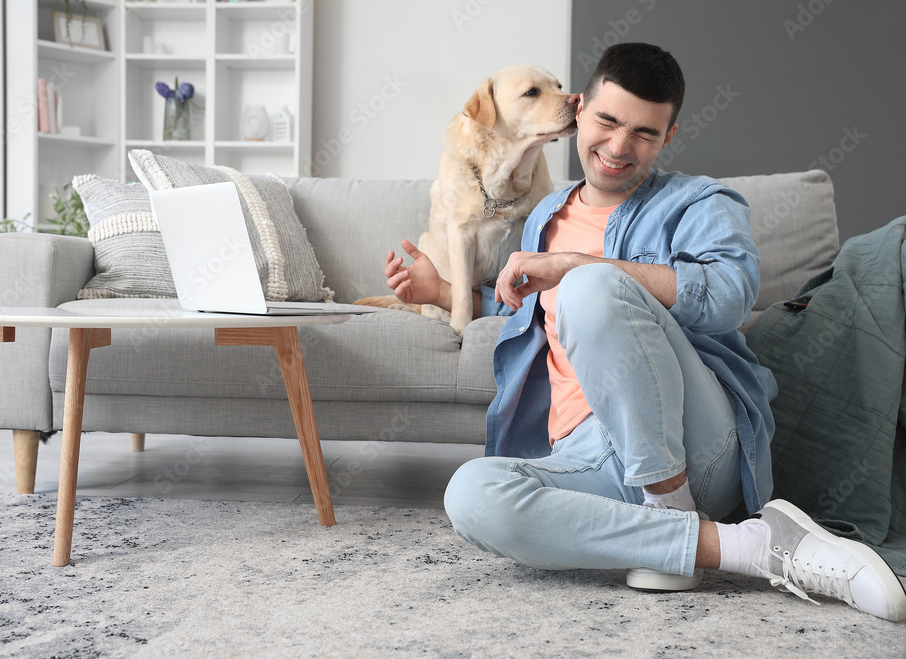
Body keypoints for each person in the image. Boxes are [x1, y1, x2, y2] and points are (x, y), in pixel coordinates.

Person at [381, 43, 906, 621]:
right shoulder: (543, 215)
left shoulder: (700, 202)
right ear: (578, 112)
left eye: (644, 133)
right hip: (589, 455)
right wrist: (439, 291)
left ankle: (670, 504)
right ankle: (748, 546)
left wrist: (583, 268)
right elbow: (529, 311)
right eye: (606, 121)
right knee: (471, 494)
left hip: (696, 444)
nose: (618, 147)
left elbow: (729, 298)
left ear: (668, 136)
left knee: (589, 288)